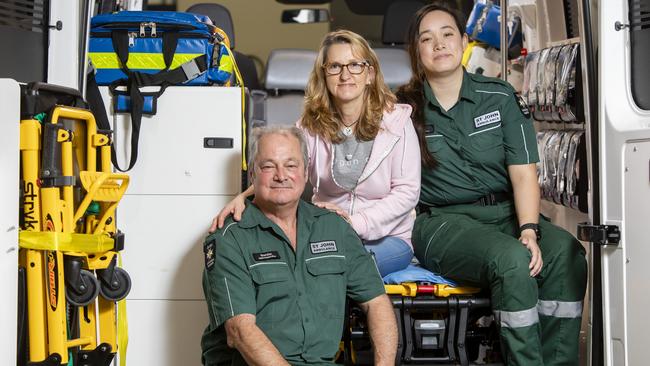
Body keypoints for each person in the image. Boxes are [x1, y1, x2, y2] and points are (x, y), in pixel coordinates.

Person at [395, 4, 587, 366]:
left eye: (447, 34)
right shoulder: (403, 109)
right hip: (443, 223)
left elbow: (523, 171)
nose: (439, 44)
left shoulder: (499, 96)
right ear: (416, 51)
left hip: (505, 213)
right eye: (427, 38)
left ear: (464, 41)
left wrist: (529, 229)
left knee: (566, 252)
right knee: (511, 259)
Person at [211, 30, 421, 277]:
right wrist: (244, 198)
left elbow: (407, 192)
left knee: (341, 268)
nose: (345, 75)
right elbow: (286, 169)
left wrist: (356, 223)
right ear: (324, 75)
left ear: (369, 74)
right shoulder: (309, 126)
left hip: (388, 238)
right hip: (326, 233)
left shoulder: (397, 121)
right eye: (335, 66)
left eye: (355, 65)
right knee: (298, 266)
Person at [201, 126, 397, 365]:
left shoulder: (334, 228)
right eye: (268, 166)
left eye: (291, 165)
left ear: (305, 173)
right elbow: (240, 332)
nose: (281, 175)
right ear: (252, 174)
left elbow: (376, 302)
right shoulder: (229, 238)